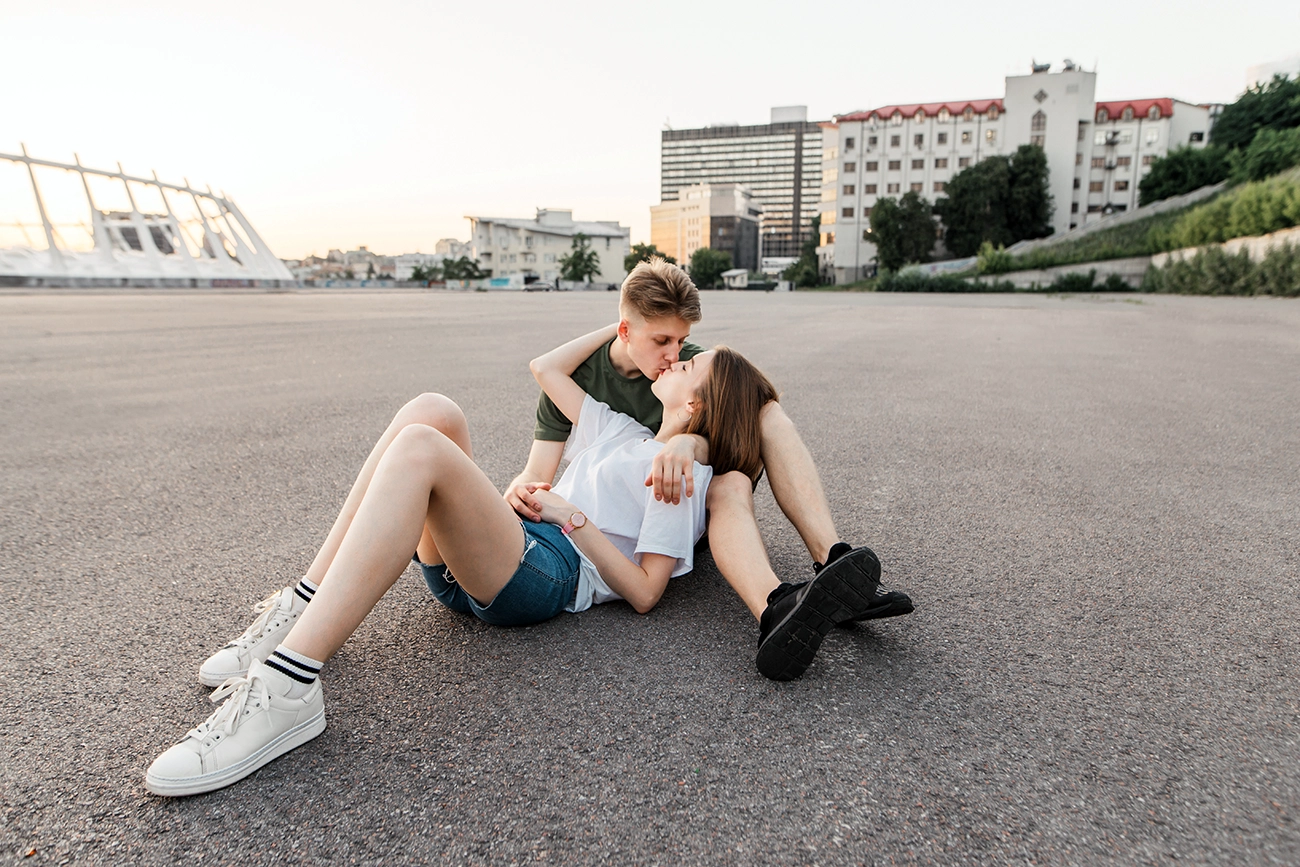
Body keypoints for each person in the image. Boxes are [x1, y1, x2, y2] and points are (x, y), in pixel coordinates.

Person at [146, 313, 867, 797]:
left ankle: (289, 685)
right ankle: (296, 610)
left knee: (425, 449)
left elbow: (646, 593)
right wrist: (625, 327)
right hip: (504, 555)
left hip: (549, 573)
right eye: (670, 348)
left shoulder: (681, 472)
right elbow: (548, 368)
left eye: (688, 364)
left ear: (701, 406)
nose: (676, 358)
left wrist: (570, 514)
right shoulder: (618, 427)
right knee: (432, 412)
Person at [504, 259, 913, 681]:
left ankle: (831, 562)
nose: (674, 354)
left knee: (759, 427)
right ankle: (780, 610)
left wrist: (690, 442)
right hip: (640, 504)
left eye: (682, 339)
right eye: (662, 339)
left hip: (691, 493)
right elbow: (537, 469)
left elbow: (723, 410)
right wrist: (513, 503)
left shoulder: (689, 367)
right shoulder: (584, 377)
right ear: (626, 330)